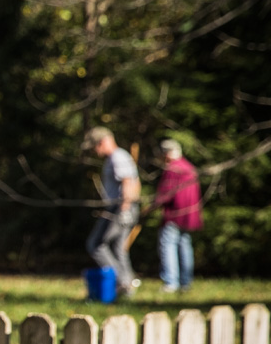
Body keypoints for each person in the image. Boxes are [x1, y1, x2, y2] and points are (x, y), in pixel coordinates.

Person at [84, 126, 141, 298]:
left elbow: (128, 183)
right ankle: (127, 285)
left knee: (96, 244)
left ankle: (123, 282)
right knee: (118, 248)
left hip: (121, 208)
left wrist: (124, 210)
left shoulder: (118, 157)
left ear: (103, 142)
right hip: (120, 207)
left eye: (95, 146)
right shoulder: (115, 158)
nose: (95, 151)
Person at [153, 138, 203, 293]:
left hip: (174, 215)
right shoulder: (189, 167)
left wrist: (153, 205)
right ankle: (185, 283)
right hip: (189, 216)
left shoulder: (173, 169)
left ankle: (171, 282)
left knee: (168, 245)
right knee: (184, 246)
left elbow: (165, 194)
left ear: (167, 154)